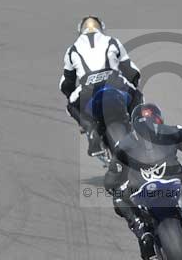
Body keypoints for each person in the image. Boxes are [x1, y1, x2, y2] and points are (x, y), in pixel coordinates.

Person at [104, 103, 182, 260]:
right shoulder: (174, 131)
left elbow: (110, 182)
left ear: (133, 123)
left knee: (117, 196)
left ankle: (142, 231)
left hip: (141, 186)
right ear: (159, 119)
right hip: (174, 177)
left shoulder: (122, 145)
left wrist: (124, 182)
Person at [60, 16, 142, 156]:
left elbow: (66, 83)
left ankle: (90, 129)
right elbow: (132, 71)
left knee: (70, 106)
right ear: (101, 28)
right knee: (138, 95)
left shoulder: (72, 50)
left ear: (80, 30)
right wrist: (132, 85)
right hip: (115, 84)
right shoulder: (112, 41)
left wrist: (70, 94)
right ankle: (141, 126)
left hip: (88, 90)